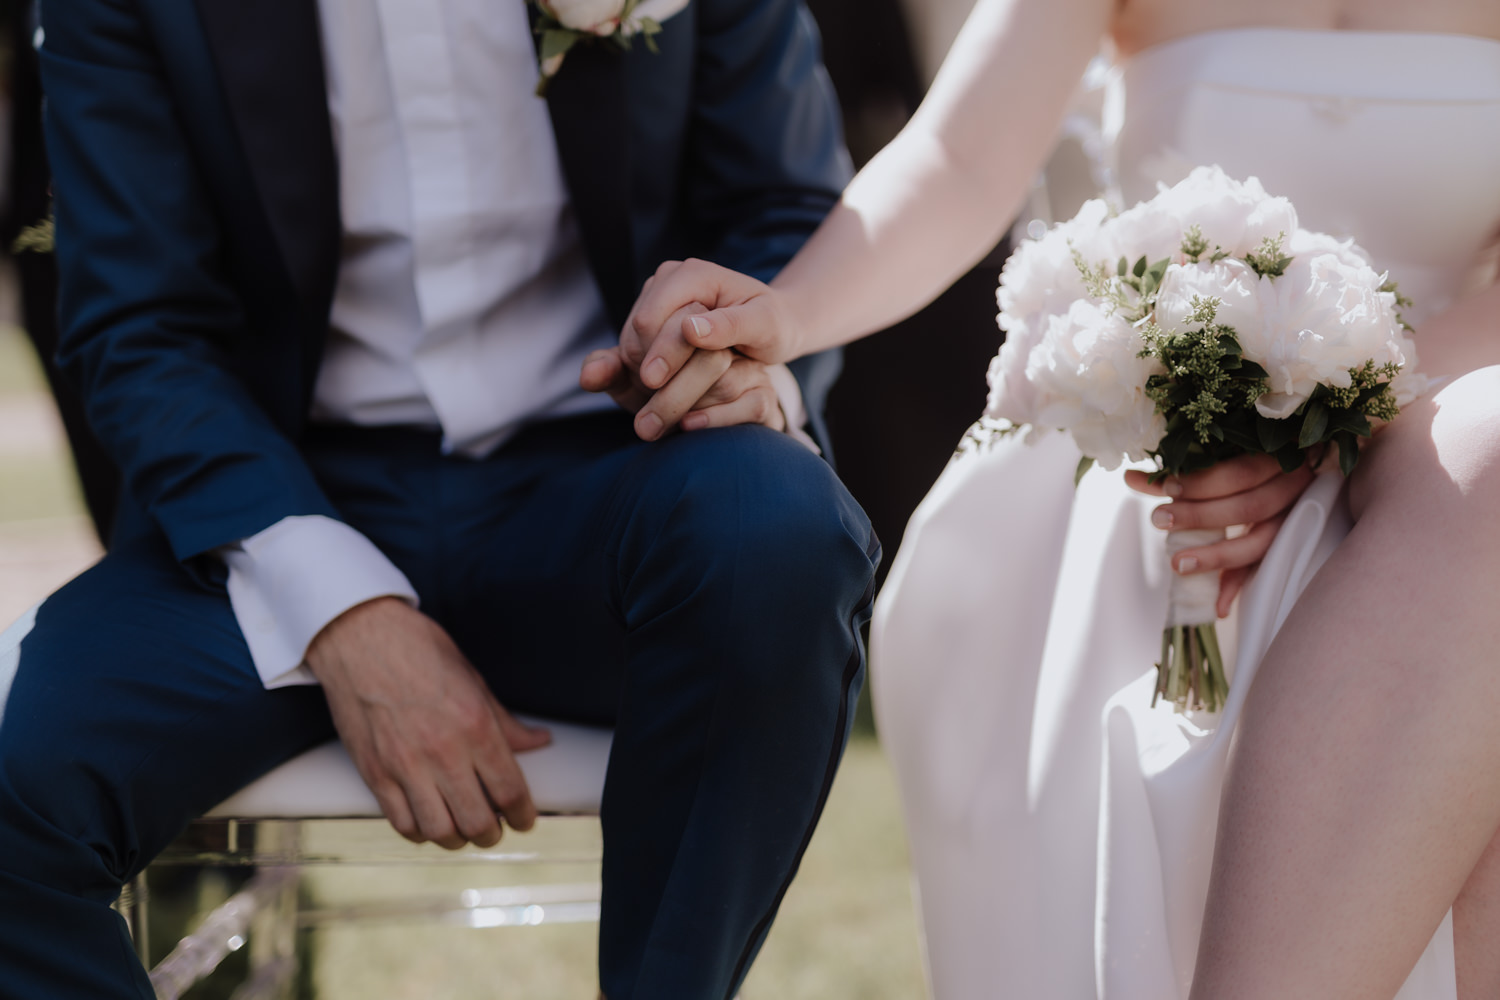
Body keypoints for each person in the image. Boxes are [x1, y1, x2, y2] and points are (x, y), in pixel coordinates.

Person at [620, 1, 1500, 997]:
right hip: (1168, 456)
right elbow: (957, 162)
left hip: (1445, 427)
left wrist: (1333, 408)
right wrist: (789, 312)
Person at [0, 1, 880, 997]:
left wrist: (735, 353)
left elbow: (783, 214)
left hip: (618, 484)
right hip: (273, 507)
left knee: (781, 535)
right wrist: (341, 610)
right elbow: (138, 326)